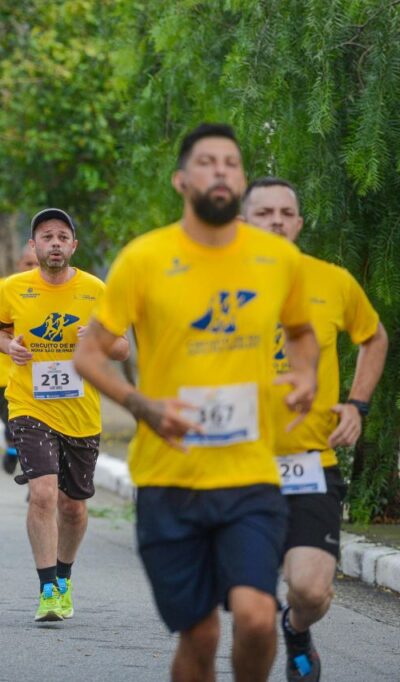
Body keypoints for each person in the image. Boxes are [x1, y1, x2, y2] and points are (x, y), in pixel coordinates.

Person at [73, 123, 319, 681]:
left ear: (242, 181)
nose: (221, 171)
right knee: (202, 633)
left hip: (249, 477)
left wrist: (304, 374)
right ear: (182, 180)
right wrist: (142, 406)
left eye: (231, 163)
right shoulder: (145, 258)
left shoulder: (276, 259)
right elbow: (88, 355)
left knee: (257, 618)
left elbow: (302, 331)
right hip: (169, 480)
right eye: (207, 162)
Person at [242, 177, 388, 681]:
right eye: (265, 213)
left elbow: (374, 337)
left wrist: (357, 406)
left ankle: (297, 629)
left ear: (300, 223)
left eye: (287, 212)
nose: (277, 221)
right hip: (237, 468)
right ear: (243, 222)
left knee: (310, 591)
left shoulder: (332, 280)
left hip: (310, 465)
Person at [0, 209, 128, 621]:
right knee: (44, 493)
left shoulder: (97, 290)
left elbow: (123, 348)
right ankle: (47, 587)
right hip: (29, 403)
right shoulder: (12, 288)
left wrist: (101, 340)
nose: (54, 243)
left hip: (81, 411)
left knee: (73, 507)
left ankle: (65, 576)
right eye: (45, 236)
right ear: (33, 246)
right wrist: (8, 346)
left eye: (61, 236)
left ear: (73, 246)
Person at [0, 243, 38, 473]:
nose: (32, 268)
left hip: (42, 377)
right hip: (5, 374)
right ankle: (12, 447)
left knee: (34, 433)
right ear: (19, 264)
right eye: (28, 264)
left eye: (36, 263)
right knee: (12, 423)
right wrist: (8, 334)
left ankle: (33, 475)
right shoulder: (3, 288)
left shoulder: (58, 293)